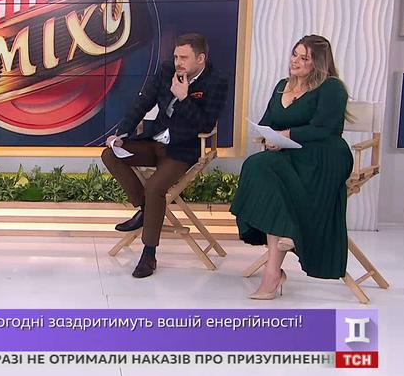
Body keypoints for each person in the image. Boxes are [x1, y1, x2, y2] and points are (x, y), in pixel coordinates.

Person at [230, 34, 353, 299]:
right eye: (294, 54)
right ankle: (281, 250)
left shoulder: (332, 88)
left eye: (304, 58)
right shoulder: (281, 86)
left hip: (323, 157)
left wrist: (286, 135)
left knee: (266, 169)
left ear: (318, 63)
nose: (295, 61)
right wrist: (269, 137)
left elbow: (324, 128)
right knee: (257, 165)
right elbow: (268, 120)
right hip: (289, 154)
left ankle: (278, 261)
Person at [102, 33, 228, 278]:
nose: (178, 62)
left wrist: (183, 97)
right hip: (155, 140)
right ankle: (145, 209)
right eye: (176, 56)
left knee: (155, 187)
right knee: (111, 155)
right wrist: (122, 134)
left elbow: (205, 123)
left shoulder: (216, 81)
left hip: (183, 150)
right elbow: (142, 103)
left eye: (184, 58)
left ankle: (149, 254)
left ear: (200, 58)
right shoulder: (166, 70)